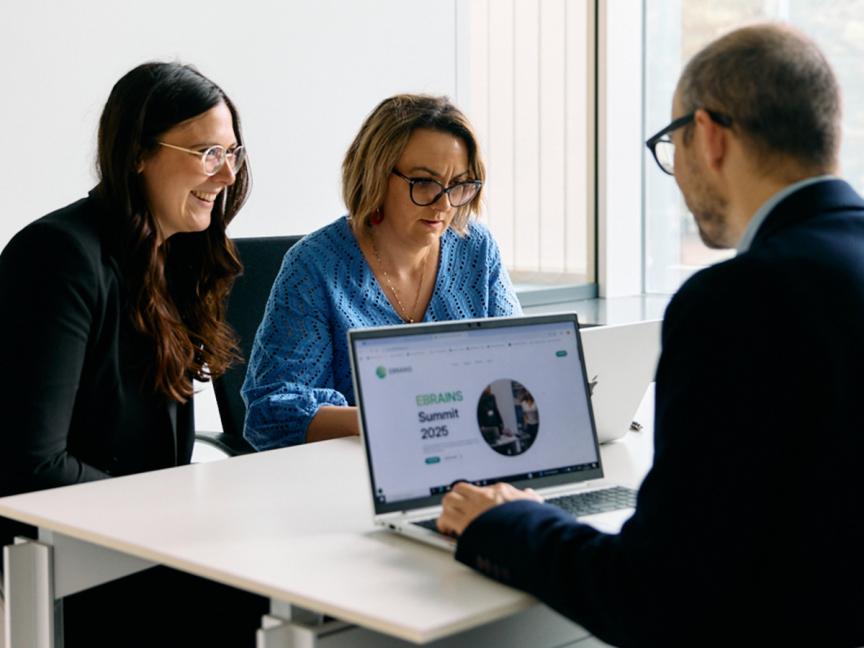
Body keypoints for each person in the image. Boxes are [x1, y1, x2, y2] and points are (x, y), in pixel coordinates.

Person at [438, 24, 864, 646]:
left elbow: (655, 596)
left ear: (710, 136)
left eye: (674, 145)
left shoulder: (736, 300)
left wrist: (506, 522)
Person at [0, 62, 266, 647]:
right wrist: (167, 519)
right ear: (138, 154)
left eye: (231, 153)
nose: (224, 176)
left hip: (142, 539)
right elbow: (30, 464)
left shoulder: (174, 255)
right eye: (205, 153)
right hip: (73, 556)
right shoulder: (58, 255)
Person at [242, 94, 521, 450]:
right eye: (424, 182)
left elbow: (518, 367)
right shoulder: (314, 266)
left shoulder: (476, 248)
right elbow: (271, 414)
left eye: (459, 185)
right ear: (375, 173)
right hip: (347, 476)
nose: (444, 204)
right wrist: (392, 420)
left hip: (471, 456)